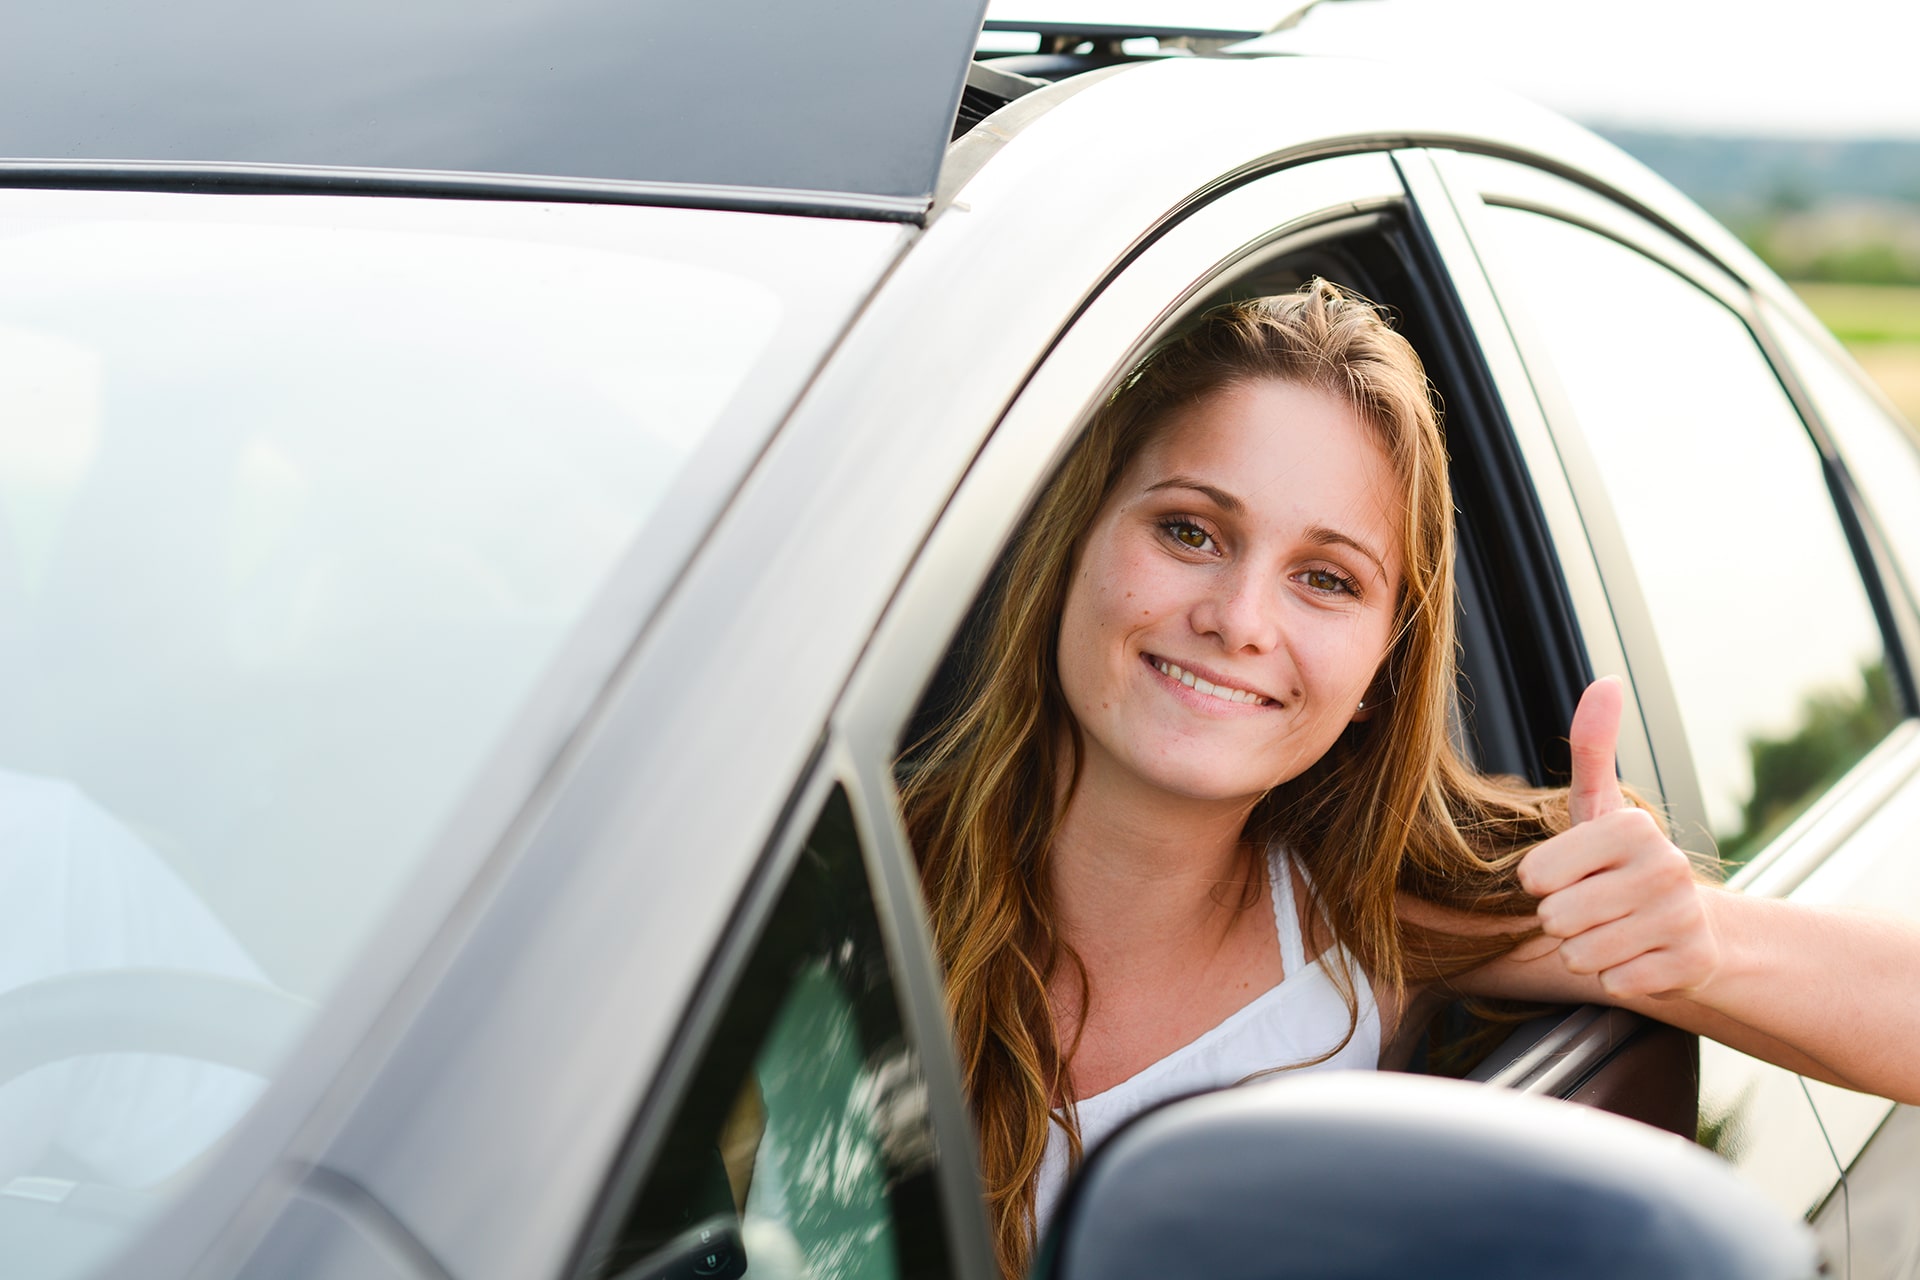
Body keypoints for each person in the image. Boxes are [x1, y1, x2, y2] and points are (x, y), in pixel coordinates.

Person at [898, 281, 1920, 1278]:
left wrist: (1701, 943)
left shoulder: (1371, 915)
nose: (1240, 617)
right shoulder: (838, 873)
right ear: (1072, 543)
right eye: (1189, 530)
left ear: (1382, 673)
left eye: (1325, 578)